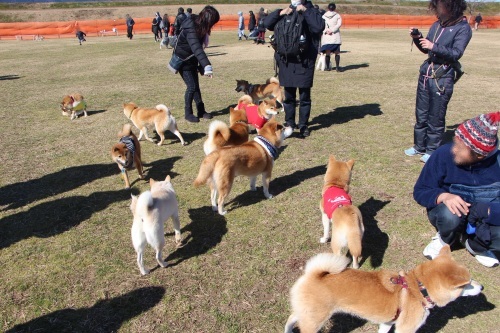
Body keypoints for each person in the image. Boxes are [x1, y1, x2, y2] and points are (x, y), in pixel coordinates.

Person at [414, 111, 500, 267]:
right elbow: (421, 190)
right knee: (450, 215)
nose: (453, 149)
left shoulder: (498, 163)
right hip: (452, 215)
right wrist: (444, 196)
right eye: (455, 142)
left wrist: (489, 210)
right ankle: (444, 239)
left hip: (483, 221)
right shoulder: (443, 154)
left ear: (479, 155)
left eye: (460, 147)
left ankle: (476, 246)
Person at [405, 0, 472, 163]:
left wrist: (433, 46)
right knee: (421, 113)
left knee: (436, 115)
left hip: (443, 77)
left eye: (440, 5)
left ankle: (432, 149)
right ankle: (419, 146)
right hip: (426, 74)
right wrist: (417, 37)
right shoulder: (437, 25)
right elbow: (426, 48)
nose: (437, 9)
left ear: (451, 6)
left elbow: (456, 53)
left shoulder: (463, 28)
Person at [264, 0, 325, 138]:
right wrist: (280, 12)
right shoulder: (286, 11)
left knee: (304, 96)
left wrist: (306, 10)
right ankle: (289, 123)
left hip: (305, 60)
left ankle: (303, 125)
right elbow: (266, 24)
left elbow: (318, 27)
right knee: (289, 96)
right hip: (286, 60)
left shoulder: (310, 10)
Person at [174, 5, 220, 123]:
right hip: (183, 61)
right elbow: (197, 48)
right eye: (213, 22)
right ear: (208, 20)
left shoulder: (200, 28)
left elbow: (198, 50)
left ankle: (201, 110)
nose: (213, 26)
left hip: (192, 60)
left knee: (196, 87)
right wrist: (207, 66)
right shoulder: (191, 28)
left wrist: (200, 66)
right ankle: (188, 113)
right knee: (192, 87)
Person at [320, 3, 342, 72]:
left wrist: (326, 31)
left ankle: (327, 67)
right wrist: (332, 30)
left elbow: (322, 25)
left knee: (327, 52)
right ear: (335, 8)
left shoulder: (324, 16)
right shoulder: (337, 15)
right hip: (335, 36)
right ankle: (337, 67)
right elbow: (339, 24)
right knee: (337, 52)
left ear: (328, 8)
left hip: (327, 36)